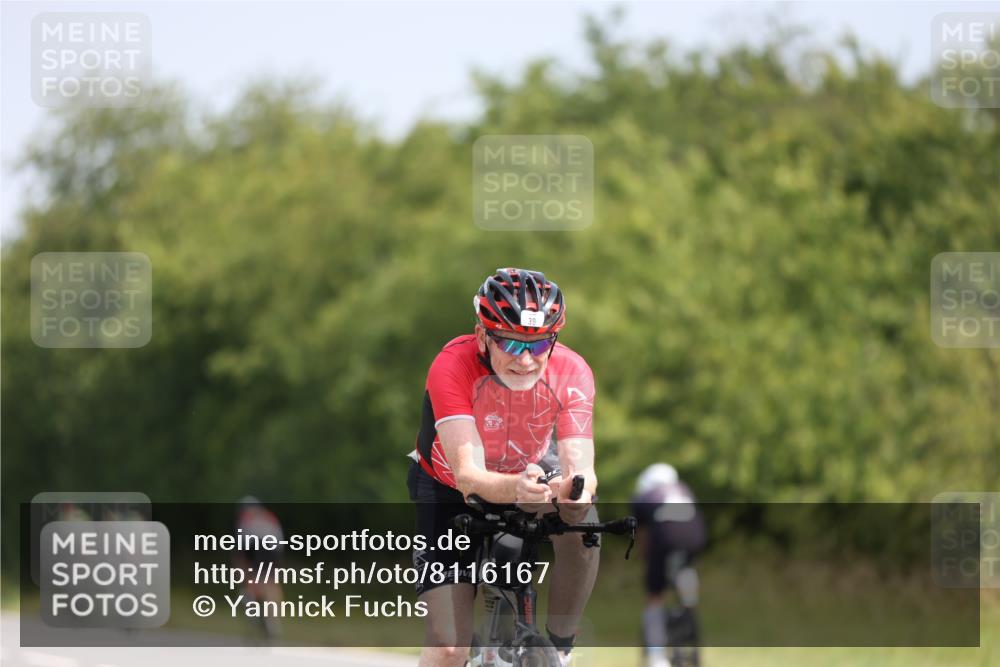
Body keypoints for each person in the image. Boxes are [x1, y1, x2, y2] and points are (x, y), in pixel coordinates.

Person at [407, 268, 598, 667]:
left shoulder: (572, 370)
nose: (526, 360)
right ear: (482, 336)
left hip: (530, 472)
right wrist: (518, 489)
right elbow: (468, 476)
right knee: (449, 648)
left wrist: (573, 495)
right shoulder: (453, 365)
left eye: (539, 343)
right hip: (448, 488)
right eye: (510, 343)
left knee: (585, 526)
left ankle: (560, 648)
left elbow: (580, 466)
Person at [631, 464, 706, 667]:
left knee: (655, 597)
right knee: (685, 570)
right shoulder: (684, 489)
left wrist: (646, 562)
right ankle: (689, 602)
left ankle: (656, 656)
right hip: (695, 540)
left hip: (665, 539)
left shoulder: (644, 496)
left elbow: (643, 536)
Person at [232, 495, 286, 639]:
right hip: (273, 548)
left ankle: (250, 600)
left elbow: (241, 552)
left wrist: (240, 572)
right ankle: (273, 619)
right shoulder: (269, 516)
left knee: (249, 576)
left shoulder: (245, 518)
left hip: (254, 545)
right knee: (271, 582)